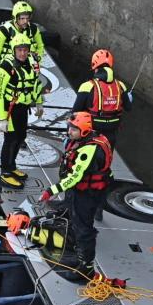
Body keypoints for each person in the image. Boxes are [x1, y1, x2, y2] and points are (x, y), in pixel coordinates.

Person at [40, 112, 122, 287]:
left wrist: (50, 191)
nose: (69, 131)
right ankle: (73, 245)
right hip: (80, 190)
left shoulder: (89, 150)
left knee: (84, 228)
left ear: (84, 131)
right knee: (71, 214)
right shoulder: (86, 139)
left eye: (73, 129)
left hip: (87, 193)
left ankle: (86, 266)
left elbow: (75, 177)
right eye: (69, 127)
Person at [0, 1, 45, 155]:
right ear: (15, 17)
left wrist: (36, 61)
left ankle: (19, 134)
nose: (25, 21)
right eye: (22, 18)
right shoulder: (4, 31)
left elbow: (40, 47)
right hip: (7, 71)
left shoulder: (33, 29)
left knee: (23, 104)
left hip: (25, 69)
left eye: (27, 18)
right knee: (3, 105)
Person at [0, 34, 44, 188]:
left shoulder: (32, 62)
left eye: (25, 50)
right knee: (10, 139)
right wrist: (2, 118)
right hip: (10, 108)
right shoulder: (6, 67)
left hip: (23, 107)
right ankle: (5, 173)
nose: (23, 53)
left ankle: (12, 166)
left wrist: (39, 103)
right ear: (14, 50)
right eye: (19, 50)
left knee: (21, 136)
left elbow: (36, 84)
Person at [71, 49, 132, 148]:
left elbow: (75, 112)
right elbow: (128, 108)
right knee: (107, 155)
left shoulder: (87, 86)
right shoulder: (121, 85)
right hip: (112, 131)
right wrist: (128, 98)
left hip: (92, 131)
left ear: (95, 68)